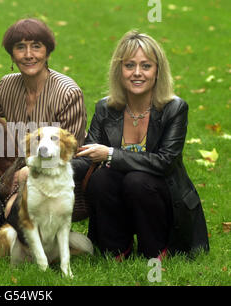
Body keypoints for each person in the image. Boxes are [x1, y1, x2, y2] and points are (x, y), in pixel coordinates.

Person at [75, 30, 209, 259]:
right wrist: (43, 171)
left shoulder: (174, 108)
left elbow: (164, 162)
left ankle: (156, 250)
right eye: (129, 66)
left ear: (158, 71)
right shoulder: (104, 108)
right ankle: (116, 250)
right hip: (123, 194)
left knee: (138, 181)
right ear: (119, 71)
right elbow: (87, 157)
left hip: (163, 197)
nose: (137, 73)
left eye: (146, 66)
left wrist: (110, 154)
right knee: (101, 178)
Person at [0, 18, 88, 225]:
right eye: (20, 47)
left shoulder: (67, 92)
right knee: (8, 229)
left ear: (47, 52)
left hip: (62, 177)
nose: (29, 55)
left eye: (36, 46)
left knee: (16, 226)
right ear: (12, 54)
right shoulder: (8, 86)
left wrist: (31, 171)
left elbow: (71, 152)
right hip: (20, 172)